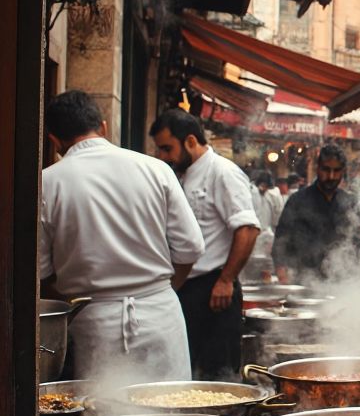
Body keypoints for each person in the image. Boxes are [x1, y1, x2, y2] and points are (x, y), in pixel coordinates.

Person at [39, 91, 205, 382]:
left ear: (54, 140)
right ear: (103, 127)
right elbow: (191, 248)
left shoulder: (47, 182)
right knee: (172, 414)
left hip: (94, 322)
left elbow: (40, 273)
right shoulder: (157, 169)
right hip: (161, 315)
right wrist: (158, 290)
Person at [150, 109, 261, 380]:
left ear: (190, 141)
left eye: (167, 148)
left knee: (217, 376)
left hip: (215, 291)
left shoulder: (222, 172)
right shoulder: (181, 175)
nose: (163, 156)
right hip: (186, 290)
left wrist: (226, 279)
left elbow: (247, 229)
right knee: (188, 373)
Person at [274, 145, 360, 283]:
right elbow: (281, 241)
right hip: (304, 281)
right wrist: (282, 272)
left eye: (336, 171)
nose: (331, 176)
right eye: (326, 170)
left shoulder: (349, 202)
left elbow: (358, 244)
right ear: (318, 168)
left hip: (342, 283)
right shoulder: (297, 201)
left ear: (343, 171)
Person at [250, 171, 284, 259]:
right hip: (253, 233)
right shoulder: (251, 193)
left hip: (267, 232)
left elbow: (277, 214)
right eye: (262, 185)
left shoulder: (272, 196)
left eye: (266, 186)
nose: (264, 188)